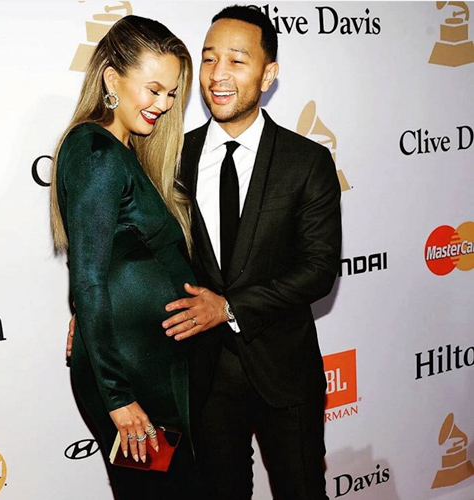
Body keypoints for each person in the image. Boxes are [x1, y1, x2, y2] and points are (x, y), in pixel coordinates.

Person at [161, 6, 342, 500]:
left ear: (268, 74)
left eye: (237, 61)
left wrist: (230, 308)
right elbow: (146, 255)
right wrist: (97, 310)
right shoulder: (172, 157)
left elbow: (319, 270)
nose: (218, 75)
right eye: (208, 58)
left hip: (285, 372)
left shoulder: (307, 162)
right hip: (204, 376)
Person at [51, 15, 203, 499]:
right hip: (130, 385)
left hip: (148, 373)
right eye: (153, 89)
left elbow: (106, 268)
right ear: (112, 78)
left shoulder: (120, 149)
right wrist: (118, 398)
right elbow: (90, 279)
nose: (163, 104)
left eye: (172, 93)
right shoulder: (96, 151)